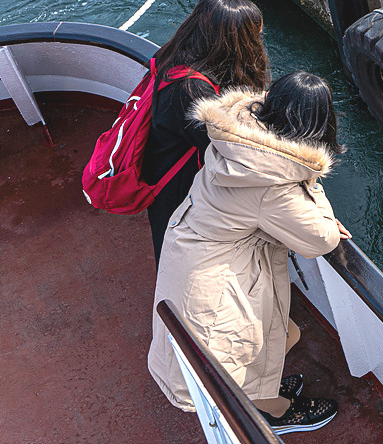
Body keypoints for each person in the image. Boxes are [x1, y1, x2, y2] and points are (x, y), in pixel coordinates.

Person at [148, 72, 351, 435]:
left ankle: (263, 391)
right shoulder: (273, 183)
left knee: (278, 336)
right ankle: (276, 413)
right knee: (247, 354)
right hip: (217, 284)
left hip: (193, 255)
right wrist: (311, 184)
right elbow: (321, 240)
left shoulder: (240, 140)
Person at [142, 0, 271, 263]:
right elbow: (229, 151)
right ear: (237, 42)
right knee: (179, 256)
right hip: (179, 188)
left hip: (162, 168)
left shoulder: (174, 56)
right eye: (254, 36)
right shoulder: (192, 92)